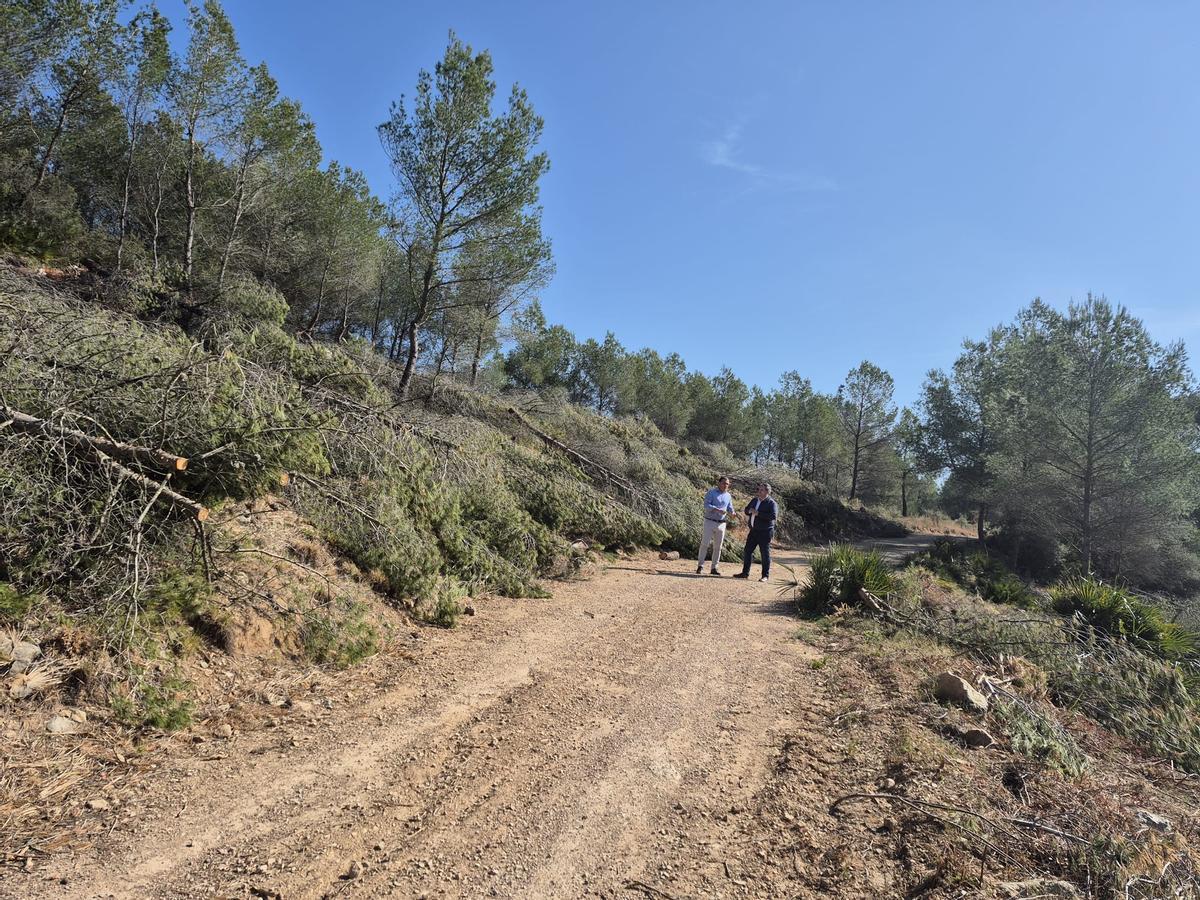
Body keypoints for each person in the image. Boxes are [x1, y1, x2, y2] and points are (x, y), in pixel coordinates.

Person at [734, 482, 778, 582]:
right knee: (747, 551)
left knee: (764, 554)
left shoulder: (771, 503)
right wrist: (749, 511)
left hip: (765, 532)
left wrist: (758, 513)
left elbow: (773, 516)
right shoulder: (754, 500)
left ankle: (765, 576)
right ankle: (745, 573)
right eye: (758, 489)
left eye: (761, 490)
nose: (759, 491)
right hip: (753, 531)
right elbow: (746, 510)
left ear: (767, 491)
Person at [697, 475, 735, 575]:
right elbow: (706, 505)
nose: (725, 485)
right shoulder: (711, 492)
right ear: (719, 483)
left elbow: (730, 507)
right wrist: (717, 509)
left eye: (727, 484)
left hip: (722, 523)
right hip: (709, 521)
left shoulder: (728, 496)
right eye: (723, 483)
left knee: (718, 547)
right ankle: (700, 566)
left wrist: (732, 513)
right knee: (704, 544)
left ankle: (714, 568)